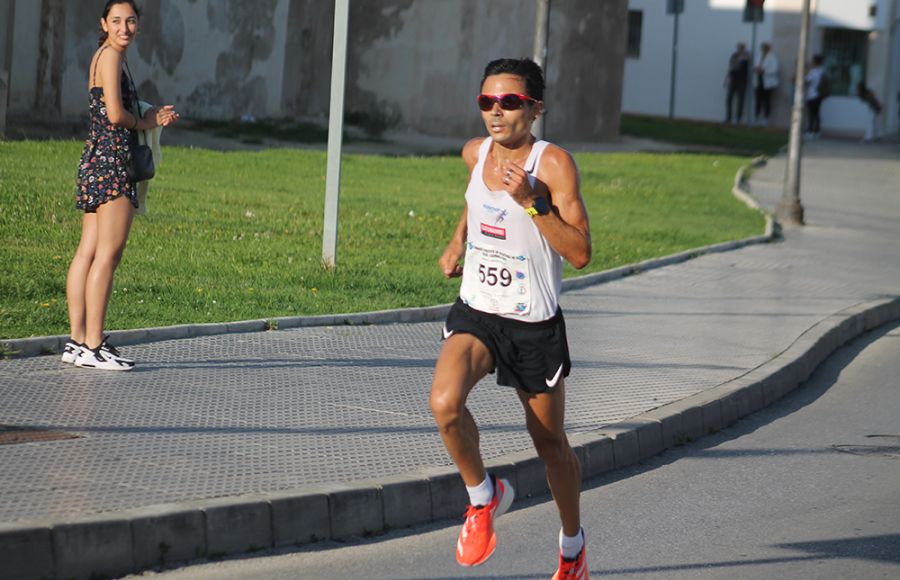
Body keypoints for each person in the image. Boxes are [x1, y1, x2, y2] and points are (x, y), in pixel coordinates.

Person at [430, 57, 591, 579]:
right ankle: (484, 497)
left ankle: (573, 547)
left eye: (510, 102)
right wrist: (458, 241)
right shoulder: (475, 153)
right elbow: (474, 203)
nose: (496, 113)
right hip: (479, 310)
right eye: (486, 102)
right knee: (444, 403)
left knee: (549, 444)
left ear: (535, 108)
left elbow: (582, 252)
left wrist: (531, 204)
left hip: (533, 324)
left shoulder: (554, 166)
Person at [63, 0, 179, 370]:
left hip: (96, 159)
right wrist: (146, 124)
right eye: (117, 21)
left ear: (138, 25)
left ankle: (77, 342)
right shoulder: (111, 57)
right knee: (107, 256)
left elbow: (111, 109)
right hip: (113, 164)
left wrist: (149, 115)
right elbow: (115, 114)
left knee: (88, 252)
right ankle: (95, 345)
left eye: (130, 21)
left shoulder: (104, 56)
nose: (124, 28)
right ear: (104, 23)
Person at [753, 42, 779, 125]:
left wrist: (764, 71)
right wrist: (756, 69)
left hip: (768, 83)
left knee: (767, 101)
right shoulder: (759, 56)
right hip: (758, 81)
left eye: (765, 48)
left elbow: (774, 70)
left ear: (768, 49)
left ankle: (766, 118)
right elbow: (755, 66)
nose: (763, 49)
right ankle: (756, 117)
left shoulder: (773, 58)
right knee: (758, 100)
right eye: (762, 48)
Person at [724, 42, 749, 124]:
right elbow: (731, 67)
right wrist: (727, 79)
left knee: (740, 100)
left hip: (742, 81)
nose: (740, 49)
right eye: (739, 47)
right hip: (733, 80)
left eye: (742, 47)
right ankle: (728, 117)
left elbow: (741, 64)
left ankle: (738, 118)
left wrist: (739, 61)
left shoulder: (746, 56)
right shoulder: (734, 55)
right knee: (729, 99)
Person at [804, 54, 825, 137]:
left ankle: (810, 131)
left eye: (812, 61)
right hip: (819, 94)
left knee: (811, 114)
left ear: (815, 62)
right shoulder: (822, 71)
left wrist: (806, 70)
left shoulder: (813, 72)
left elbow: (806, 81)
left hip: (812, 94)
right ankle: (817, 131)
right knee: (817, 113)